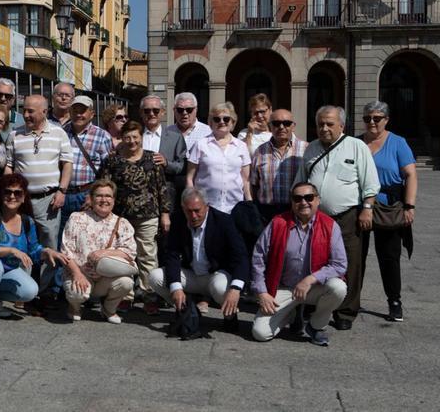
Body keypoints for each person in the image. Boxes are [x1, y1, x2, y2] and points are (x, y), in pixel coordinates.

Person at [295, 105, 379, 331]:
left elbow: (370, 183)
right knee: (316, 261)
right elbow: (301, 180)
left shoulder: (356, 146)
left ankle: (346, 312)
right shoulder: (311, 148)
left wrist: (367, 208)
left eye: (329, 124)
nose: (324, 128)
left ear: (341, 125)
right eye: (320, 124)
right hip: (316, 219)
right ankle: (315, 304)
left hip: (348, 216)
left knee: (351, 263)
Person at [0, 174, 67, 329]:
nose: (12, 196)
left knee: (30, 290)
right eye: (7, 192)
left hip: (3, 271)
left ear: (24, 197)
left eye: (17, 193)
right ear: (0, 195)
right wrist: (10, 250)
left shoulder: (26, 221)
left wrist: (48, 251)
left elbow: (33, 249)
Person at [251, 182, 348, 346]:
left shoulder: (330, 226)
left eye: (309, 197)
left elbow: (339, 264)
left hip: (313, 288)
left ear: (318, 200)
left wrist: (310, 279)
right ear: (292, 202)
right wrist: (262, 292)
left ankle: (316, 326)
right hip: (282, 287)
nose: (303, 202)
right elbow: (258, 257)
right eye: (297, 198)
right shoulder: (278, 223)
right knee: (260, 333)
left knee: (338, 287)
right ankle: (290, 314)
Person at [150, 188, 249, 332]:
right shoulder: (178, 219)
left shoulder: (223, 221)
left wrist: (236, 289)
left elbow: (241, 256)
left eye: (197, 210)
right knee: (155, 277)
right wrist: (176, 288)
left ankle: (230, 316)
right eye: (188, 211)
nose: (193, 215)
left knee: (222, 288)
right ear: (183, 208)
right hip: (192, 274)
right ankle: (188, 311)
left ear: (207, 206)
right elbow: (171, 254)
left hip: (216, 274)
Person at [5, 94, 73, 303]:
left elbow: (67, 163)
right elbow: (9, 165)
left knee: (49, 244)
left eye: (30, 111)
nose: (25, 114)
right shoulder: (15, 135)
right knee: (21, 243)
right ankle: (22, 291)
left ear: (44, 111)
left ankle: (45, 292)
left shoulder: (59, 134)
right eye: (24, 110)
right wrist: (9, 193)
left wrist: (62, 191)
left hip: (48, 199)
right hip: (21, 200)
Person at [99, 121, 171, 314]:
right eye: (128, 137)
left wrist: (165, 213)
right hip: (121, 216)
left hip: (148, 215)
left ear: (141, 138)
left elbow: (161, 188)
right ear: (122, 138)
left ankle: (149, 295)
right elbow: (104, 185)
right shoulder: (112, 160)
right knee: (125, 255)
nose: (132, 141)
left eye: (135, 137)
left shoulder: (152, 159)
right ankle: (125, 295)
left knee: (147, 256)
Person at [359, 101, 417, 322]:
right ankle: (352, 299)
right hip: (361, 205)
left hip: (389, 206)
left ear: (386, 120)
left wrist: (409, 206)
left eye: (376, 118)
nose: (372, 123)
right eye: (367, 119)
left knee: (389, 256)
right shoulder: (356, 142)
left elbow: (411, 175)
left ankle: (394, 301)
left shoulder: (398, 143)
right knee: (356, 256)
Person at [61, 180, 137, 324]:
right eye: (99, 196)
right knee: (76, 292)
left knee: (126, 283)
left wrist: (105, 253)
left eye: (108, 196)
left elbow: (130, 252)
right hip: (81, 273)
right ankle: (75, 307)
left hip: (106, 278)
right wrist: (77, 274)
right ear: (91, 198)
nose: (104, 200)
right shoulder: (77, 218)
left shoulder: (123, 223)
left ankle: (108, 309)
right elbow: (66, 251)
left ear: (114, 200)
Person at [186, 102, 252, 214]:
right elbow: (190, 178)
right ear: (210, 123)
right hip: (207, 207)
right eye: (217, 119)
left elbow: (246, 181)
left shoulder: (241, 146)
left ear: (233, 123)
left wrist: (250, 204)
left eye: (226, 119)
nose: (222, 122)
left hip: (235, 207)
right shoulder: (200, 145)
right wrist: (192, 202)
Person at [61, 95, 113, 235]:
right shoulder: (61, 133)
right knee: (62, 236)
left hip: (86, 195)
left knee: (86, 235)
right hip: (62, 194)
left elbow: (107, 172)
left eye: (82, 111)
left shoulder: (102, 136)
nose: (78, 114)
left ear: (92, 114)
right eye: (75, 110)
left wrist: (94, 195)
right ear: (70, 112)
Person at [250, 109, 308, 221]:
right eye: (276, 123)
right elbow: (254, 184)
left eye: (286, 123)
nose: (281, 127)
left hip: (296, 211)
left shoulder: (306, 149)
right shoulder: (260, 151)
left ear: (293, 126)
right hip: (266, 213)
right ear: (270, 126)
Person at [140, 95, 187, 200]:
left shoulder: (175, 138)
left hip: (165, 193)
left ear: (163, 112)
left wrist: (166, 163)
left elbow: (182, 167)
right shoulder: (135, 136)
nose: (151, 114)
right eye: (147, 111)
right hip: (139, 193)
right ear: (141, 113)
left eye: (156, 111)